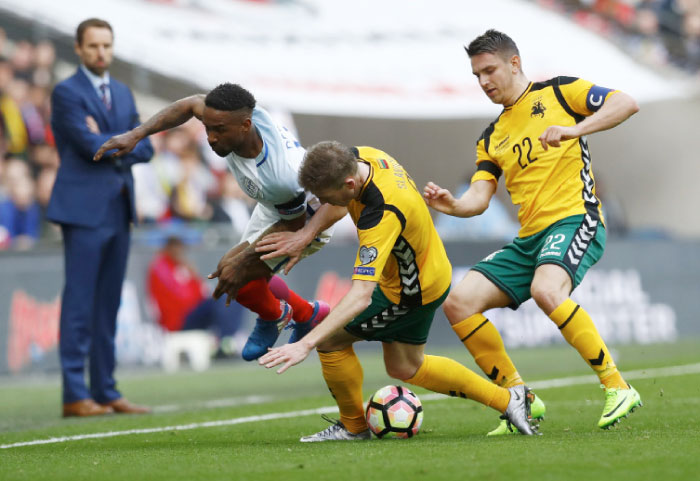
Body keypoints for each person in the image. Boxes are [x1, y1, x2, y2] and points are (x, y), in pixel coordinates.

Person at [422, 29, 642, 434]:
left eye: (489, 70)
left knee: (546, 290)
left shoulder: (560, 92)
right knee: (459, 303)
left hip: (577, 217)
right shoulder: (491, 136)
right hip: (530, 238)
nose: (484, 81)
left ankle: (617, 385)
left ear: (514, 63)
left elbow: (626, 103)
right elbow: (479, 197)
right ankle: (519, 398)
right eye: (477, 75)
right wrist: (453, 206)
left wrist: (576, 130)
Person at [258, 141, 538, 441]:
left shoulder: (380, 213)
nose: (323, 203)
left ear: (350, 184)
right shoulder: (363, 157)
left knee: (329, 341)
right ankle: (510, 401)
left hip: (408, 291)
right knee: (405, 365)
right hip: (430, 272)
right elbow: (338, 202)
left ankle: (353, 426)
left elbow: (361, 294)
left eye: (326, 196)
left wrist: (306, 344)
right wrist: (306, 234)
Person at [95, 83, 330, 361]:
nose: (212, 138)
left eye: (219, 130)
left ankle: (278, 316)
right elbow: (189, 104)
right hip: (273, 206)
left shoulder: (279, 174)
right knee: (229, 272)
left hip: (306, 218)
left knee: (237, 276)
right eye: (208, 128)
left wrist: (243, 262)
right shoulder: (234, 121)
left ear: (245, 125)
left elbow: (292, 225)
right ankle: (304, 313)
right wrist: (136, 134)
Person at [47, 18, 153, 417]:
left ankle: (106, 390)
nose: (101, 53)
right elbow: (89, 144)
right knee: (79, 304)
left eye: (106, 45)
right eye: (93, 46)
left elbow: (146, 148)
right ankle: (75, 394)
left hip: (119, 207)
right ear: (78, 48)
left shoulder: (123, 92)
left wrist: (113, 139)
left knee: (107, 305)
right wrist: (122, 138)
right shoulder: (66, 91)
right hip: (83, 210)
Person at [147, 236, 245, 356]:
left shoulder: (181, 266)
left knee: (232, 295)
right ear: (168, 248)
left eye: (181, 247)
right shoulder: (161, 266)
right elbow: (183, 297)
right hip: (179, 319)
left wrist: (193, 274)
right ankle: (223, 345)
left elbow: (200, 291)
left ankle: (226, 342)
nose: (180, 251)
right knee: (223, 298)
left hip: (192, 312)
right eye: (176, 246)